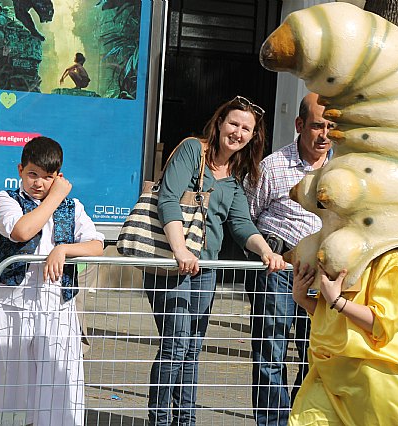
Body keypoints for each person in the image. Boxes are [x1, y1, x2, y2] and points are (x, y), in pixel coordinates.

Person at [145, 95, 286, 426]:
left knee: (192, 351)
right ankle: (161, 420)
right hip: (173, 266)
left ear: (253, 137)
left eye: (246, 128)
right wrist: (180, 250)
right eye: (233, 123)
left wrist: (265, 250)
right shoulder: (194, 150)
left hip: (206, 271)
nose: (237, 132)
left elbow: (240, 224)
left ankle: (186, 420)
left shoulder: (236, 174)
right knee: (175, 346)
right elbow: (168, 198)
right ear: (220, 122)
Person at [0, 136, 105, 425]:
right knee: (3, 378)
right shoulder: (5, 200)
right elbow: (21, 231)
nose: (39, 183)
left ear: (58, 176)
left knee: (57, 379)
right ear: (20, 169)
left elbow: (96, 244)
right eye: (33, 174)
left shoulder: (73, 207)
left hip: (56, 305)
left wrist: (64, 249)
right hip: (12, 305)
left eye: (48, 178)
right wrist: (56, 197)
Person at [244, 92, 332, 426]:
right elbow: (249, 215)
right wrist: (267, 253)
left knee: (315, 350)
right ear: (299, 125)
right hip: (279, 268)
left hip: (320, 273)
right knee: (271, 350)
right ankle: (272, 422)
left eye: (330, 127)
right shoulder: (273, 166)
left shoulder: (341, 169)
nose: (324, 135)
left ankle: (300, 417)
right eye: (317, 126)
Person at [290, 249, 398, 425]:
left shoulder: (396, 259)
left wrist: (337, 301)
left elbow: (382, 323)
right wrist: (303, 299)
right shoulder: (346, 254)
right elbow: (334, 317)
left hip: (378, 375)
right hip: (332, 371)